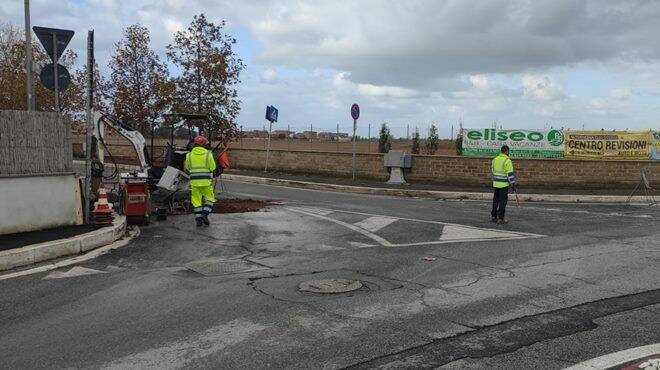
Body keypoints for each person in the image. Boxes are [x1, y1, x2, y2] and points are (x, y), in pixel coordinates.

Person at [184, 135, 217, 227]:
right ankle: (204, 214)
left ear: (194, 144)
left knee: (196, 201)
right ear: (204, 145)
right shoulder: (208, 154)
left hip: (194, 182)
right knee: (210, 198)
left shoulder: (189, 155)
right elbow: (213, 167)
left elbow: (187, 167)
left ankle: (198, 220)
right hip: (206, 181)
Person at [491, 145, 516, 224]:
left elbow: (493, 170)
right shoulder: (507, 161)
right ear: (506, 151)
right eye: (508, 151)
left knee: (495, 201)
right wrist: (513, 184)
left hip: (496, 183)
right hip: (503, 185)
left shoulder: (495, 159)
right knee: (503, 202)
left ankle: (494, 217)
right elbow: (510, 174)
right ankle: (501, 218)